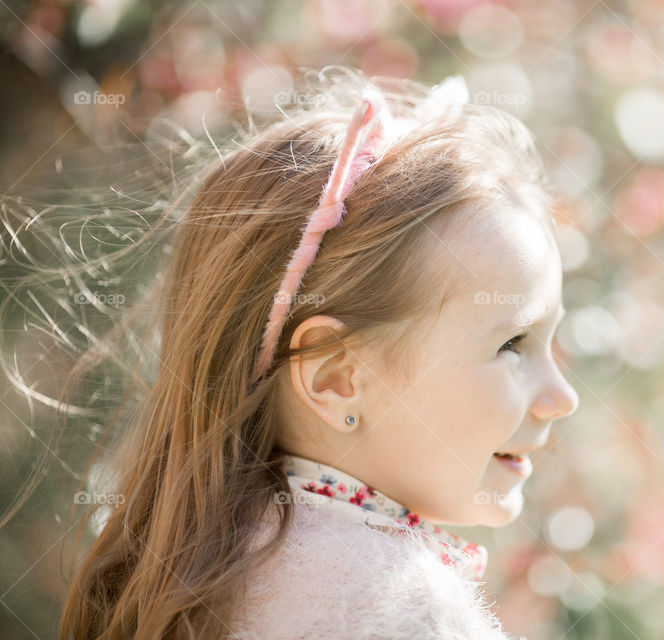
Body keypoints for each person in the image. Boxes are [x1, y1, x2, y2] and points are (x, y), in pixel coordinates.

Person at [57, 65, 579, 639]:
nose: (563, 397)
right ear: (336, 377)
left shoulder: (195, 577)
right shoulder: (402, 609)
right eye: (512, 344)